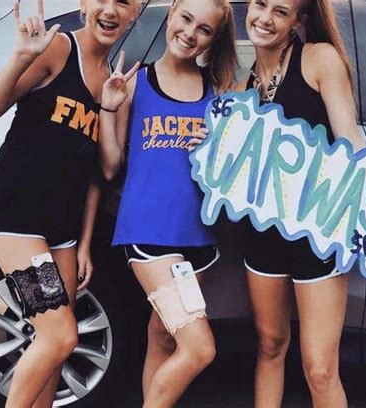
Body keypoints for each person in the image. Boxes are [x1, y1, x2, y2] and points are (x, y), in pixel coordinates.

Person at [191, 0, 366, 407]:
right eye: (259, 5)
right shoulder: (242, 90)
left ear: (298, 21)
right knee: (270, 346)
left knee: (320, 369)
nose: (264, 18)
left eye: (280, 11)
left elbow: (353, 148)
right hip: (263, 239)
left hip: (320, 237)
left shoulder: (319, 60)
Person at [0, 0, 140, 406]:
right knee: (60, 334)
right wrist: (20, 58)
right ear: (84, 4)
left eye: (125, 2)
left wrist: (82, 244)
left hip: (61, 232)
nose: (112, 9)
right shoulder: (59, 50)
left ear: (135, 14)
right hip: (16, 220)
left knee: (54, 348)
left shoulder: (112, 81)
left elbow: (103, 172)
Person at [98, 0, 238, 406]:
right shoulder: (135, 82)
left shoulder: (219, 92)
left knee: (162, 336)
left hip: (200, 240)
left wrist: (219, 150)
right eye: (186, 19)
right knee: (199, 348)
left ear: (213, 39)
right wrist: (109, 107)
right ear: (172, 14)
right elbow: (110, 167)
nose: (190, 33)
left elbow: (229, 175)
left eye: (204, 29)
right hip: (150, 235)